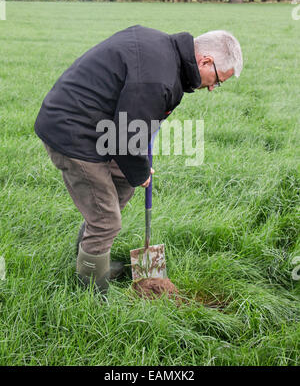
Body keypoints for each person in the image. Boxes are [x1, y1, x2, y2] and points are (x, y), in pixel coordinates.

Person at [34, 25, 243, 293]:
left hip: (99, 125)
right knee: (106, 219)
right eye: (217, 80)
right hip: (73, 132)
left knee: (122, 184)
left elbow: (133, 121)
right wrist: (141, 171)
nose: (213, 88)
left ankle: (92, 257)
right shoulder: (158, 79)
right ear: (205, 60)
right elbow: (125, 136)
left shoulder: (164, 51)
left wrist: (135, 169)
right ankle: (90, 293)